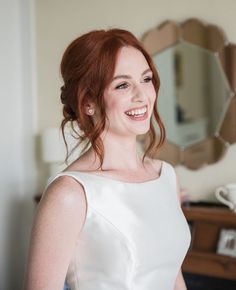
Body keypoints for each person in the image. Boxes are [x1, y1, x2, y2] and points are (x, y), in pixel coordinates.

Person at [24, 29, 191, 290]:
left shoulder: (166, 176)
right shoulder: (69, 194)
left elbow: (173, 276)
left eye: (146, 79)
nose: (142, 96)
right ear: (88, 101)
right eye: (123, 84)